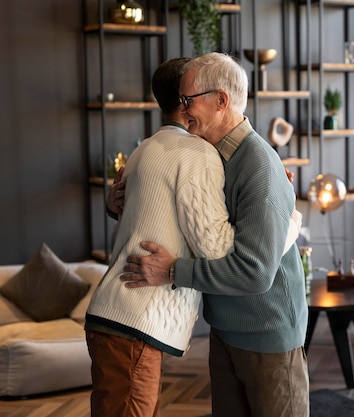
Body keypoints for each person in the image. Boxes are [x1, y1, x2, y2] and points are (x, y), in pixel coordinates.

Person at [118, 52, 310, 417]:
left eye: (188, 100)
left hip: (267, 337)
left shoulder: (259, 167)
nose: (181, 109)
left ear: (221, 101)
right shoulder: (208, 154)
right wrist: (118, 203)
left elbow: (255, 273)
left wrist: (173, 271)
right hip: (226, 331)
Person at [84, 57, 236, 417]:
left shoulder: (144, 149)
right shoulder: (195, 153)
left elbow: (140, 215)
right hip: (134, 321)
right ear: (188, 100)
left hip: (117, 317)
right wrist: (283, 221)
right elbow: (217, 250)